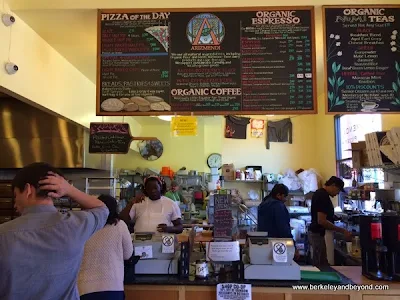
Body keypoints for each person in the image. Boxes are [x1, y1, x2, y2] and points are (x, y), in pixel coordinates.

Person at [0, 162, 108, 300]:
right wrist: (69, 189)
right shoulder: (75, 225)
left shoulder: (3, 234)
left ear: (28, 190)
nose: (15, 204)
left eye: (16, 195)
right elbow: (102, 209)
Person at [78, 194, 133, 300]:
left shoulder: (86, 225)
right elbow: (128, 254)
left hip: (84, 287)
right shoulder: (120, 225)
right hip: (112, 286)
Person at [308, 176, 352, 267]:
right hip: (319, 234)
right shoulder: (322, 196)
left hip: (317, 233)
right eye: (338, 190)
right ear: (333, 185)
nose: (337, 193)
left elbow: (323, 214)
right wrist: (342, 231)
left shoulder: (320, 193)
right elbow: (322, 221)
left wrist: (334, 217)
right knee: (322, 264)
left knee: (319, 262)